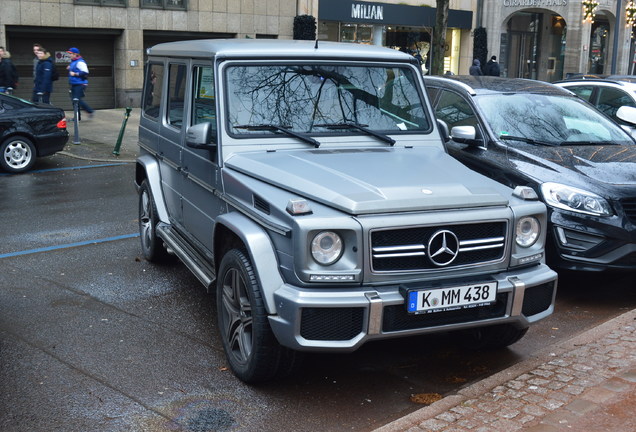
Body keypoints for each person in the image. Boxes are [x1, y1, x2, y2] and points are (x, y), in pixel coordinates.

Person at [66, 47, 94, 119]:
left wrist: (75, 74)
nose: (70, 55)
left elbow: (85, 72)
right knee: (75, 100)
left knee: (76, 100)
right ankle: (77, 116)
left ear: (75, 54)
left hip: (80, 84)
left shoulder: (80, 62)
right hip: (74, 84)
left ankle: (89, 111)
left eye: (71, 54)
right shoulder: (73, 62)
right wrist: (70, 67)